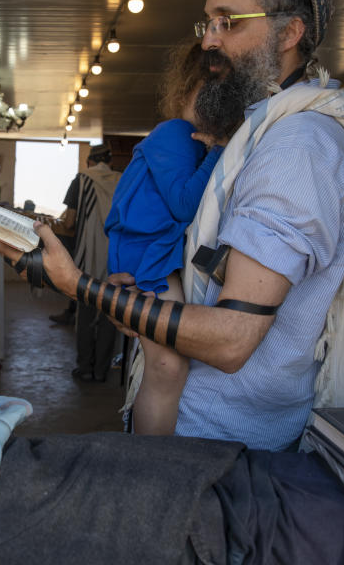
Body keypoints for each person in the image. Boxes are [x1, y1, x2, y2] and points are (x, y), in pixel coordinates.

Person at [0, 0, 344, 451]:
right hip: (196, 440)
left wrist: (76, 285)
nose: (207, 41)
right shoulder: (256, 137)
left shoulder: (298, 146)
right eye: (208, 22)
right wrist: (125, 296)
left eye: (229, 21)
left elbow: (229, 339)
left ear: (290, 31)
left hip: (215, 454)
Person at [104, 41, 224, 434]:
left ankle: (151, 461)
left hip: (150, 251)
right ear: (190, 85)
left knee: (166, 366)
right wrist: (219, 149)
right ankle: (152, 466)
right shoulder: (176, 132)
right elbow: (183, 205)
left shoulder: (182, 133)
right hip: (145, 254)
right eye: (211, 84)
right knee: (166, 367)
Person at [61, 144, 122, 381]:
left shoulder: (82, 179)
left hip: (88, 258)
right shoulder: (121, 179)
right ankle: (101, 371)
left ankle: (85, 366)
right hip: (116, 259)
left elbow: (69, 222)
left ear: (89, 162)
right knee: (109, 313)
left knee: (86, 315)